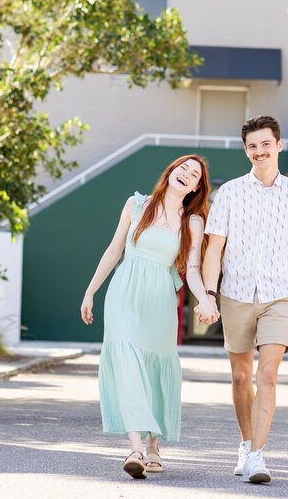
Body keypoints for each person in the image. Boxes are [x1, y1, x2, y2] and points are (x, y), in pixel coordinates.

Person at [81, 155, 218, 479]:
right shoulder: (136, 204)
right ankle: (136, 448)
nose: (186, 174)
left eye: (194, 174)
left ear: (197, 187)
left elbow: (194, 270)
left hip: (159, 299)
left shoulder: (193, 222)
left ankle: (155, 444)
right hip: (124, 293)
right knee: (126, 362)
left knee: (156, 367)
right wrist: (90, 292)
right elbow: (114, 250)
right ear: (170, 171)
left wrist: (206, 299)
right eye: (182, 168)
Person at [197, 116, 288, 485]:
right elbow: (214, 248)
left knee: (267, 374)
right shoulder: (230, 192)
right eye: (252, 146)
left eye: (266, 144)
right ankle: (245, 442)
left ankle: (258, 457)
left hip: (280, 295)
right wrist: (210, 294)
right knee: (239, 376)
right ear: (246, 150)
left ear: (279, 145)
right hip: (236, 294)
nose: (260, 151)